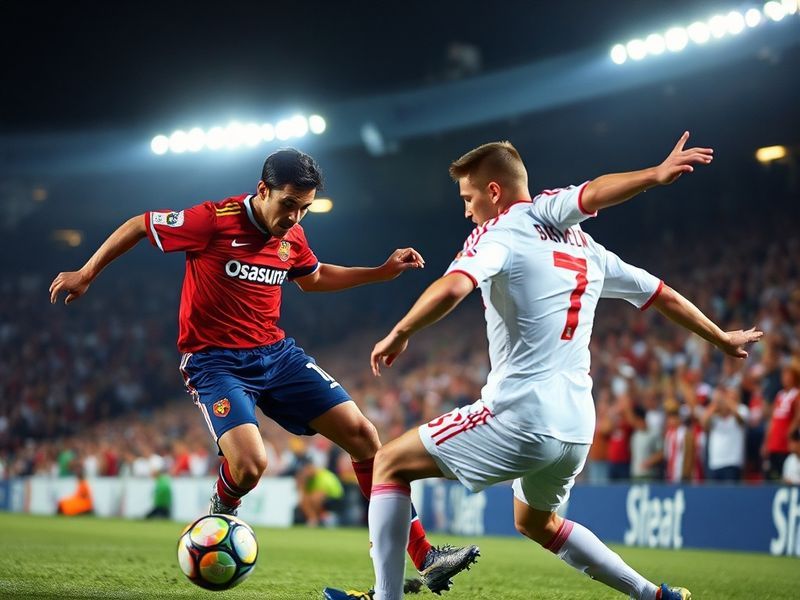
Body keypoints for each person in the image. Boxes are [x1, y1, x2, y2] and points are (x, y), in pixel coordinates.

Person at [324, 133, 762, 600]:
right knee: (536, 521)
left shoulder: (501, 232)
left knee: (388, 462)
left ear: (494, 192)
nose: (467, 211)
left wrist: (401, 331)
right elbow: (661, 293)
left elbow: (454, 287)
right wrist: (719, 336)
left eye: (469, 199)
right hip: (575, 426)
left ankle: (385, 598)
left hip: (520, 414)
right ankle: (652, 595)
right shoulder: (588, 249)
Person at [49, 148, 477, 592]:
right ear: (263, 190)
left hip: (277, 355)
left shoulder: (293, 235)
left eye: (304, 208)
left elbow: (312, 278)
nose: (295, 216)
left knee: (366, 438)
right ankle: (225, 501)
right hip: (215, 362)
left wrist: (380, 271)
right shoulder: (213, 219)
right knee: (252, 465)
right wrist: (86, 271)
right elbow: (141, 223)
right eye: (289, 204)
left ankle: (425, 555)